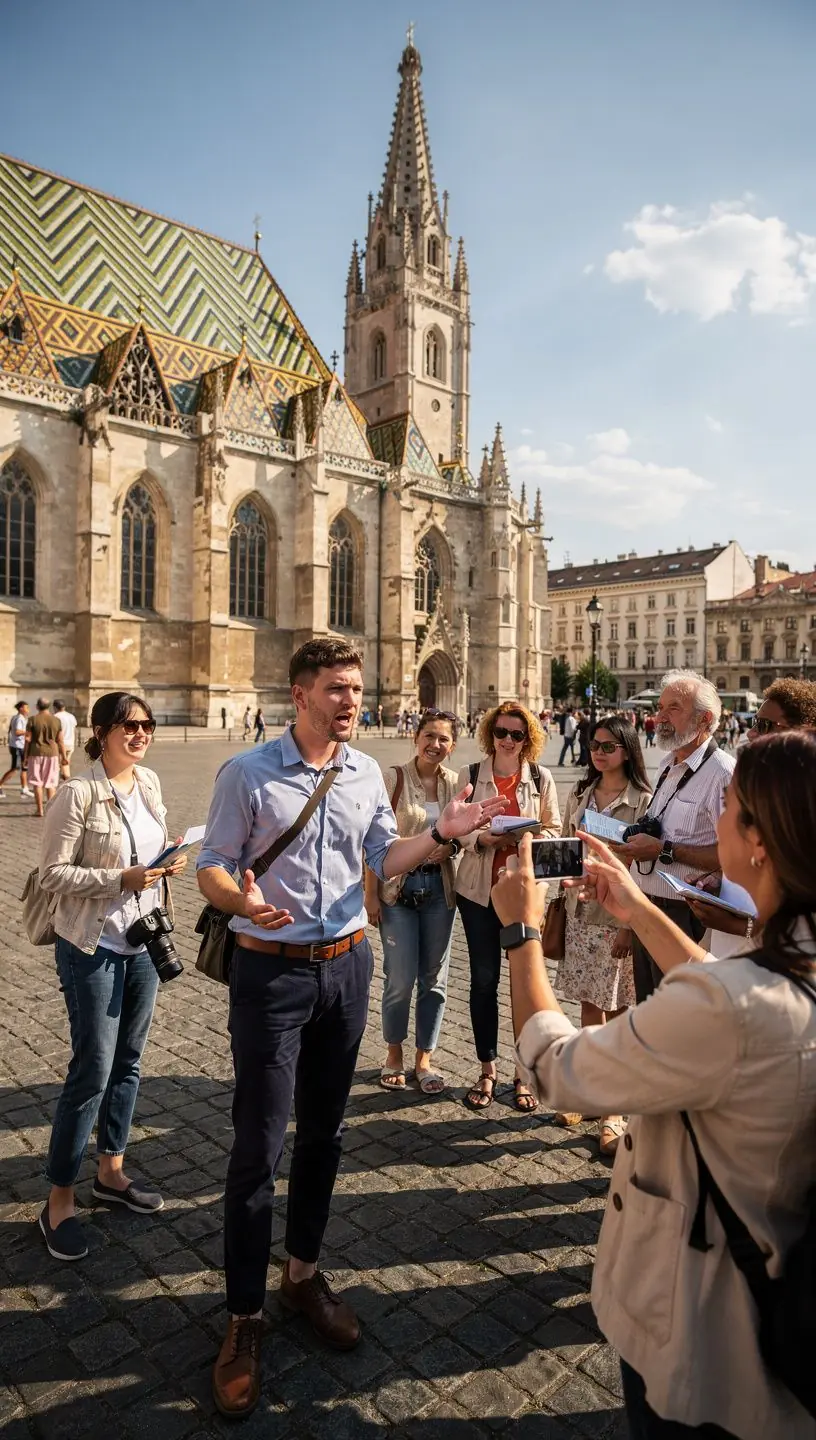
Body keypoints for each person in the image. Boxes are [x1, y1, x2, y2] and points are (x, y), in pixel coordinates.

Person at [196, 639, 507, 1418]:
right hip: (269, 971)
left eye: (358, 689)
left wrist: (444, 831)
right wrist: (237, 901)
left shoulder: (366, 771)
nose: (351, 701)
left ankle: (301, 1274)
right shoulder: (248, 772)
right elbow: (212, 863)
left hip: (347, 965)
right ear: (299, 694)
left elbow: (385, 854)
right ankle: (242, 1319)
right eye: (336, 688)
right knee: (258, 1145)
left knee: (327, 1135)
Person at [494, 730, 816, 1439]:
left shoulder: (730, 1010)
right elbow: (728, 985)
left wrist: (520, 933)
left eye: (729, 805)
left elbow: (557, 1069)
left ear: (759, 840)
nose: (716, 818)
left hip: (709, 1338)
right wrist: (637, 910)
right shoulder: (791, 956)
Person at [36, 692, 188, 1262]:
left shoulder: (147, 783)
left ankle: (112, 1172)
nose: (140, 733)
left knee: (129, 1061)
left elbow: (150, 852)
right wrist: (120, 879)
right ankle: (57, 1202)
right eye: (129, 725)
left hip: (142, 941)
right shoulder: (77, 793)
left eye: (147, 725)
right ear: (100, 732)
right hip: (92, 943)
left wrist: (166, 863)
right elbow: (52, 873)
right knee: (92, 1069)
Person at [456, 701, 561, 1113]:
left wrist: (524, 837)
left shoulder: (540, 776)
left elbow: (553, 827)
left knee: (523, 985)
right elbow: (454, 829)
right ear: (490, 734)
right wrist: (480, 838)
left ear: (528, 738)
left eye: (517, 734)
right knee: (483, 981)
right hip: (479, 892)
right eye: (501, 732)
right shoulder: (470, 776)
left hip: (521, 893)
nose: (508, 741)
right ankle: (487, 1069)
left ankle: (523, 1074)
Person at [554, 716, 652, 1151]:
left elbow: (645, 874)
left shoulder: (644, 802)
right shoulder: (581, 792)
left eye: (609, 746)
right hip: (581, 913)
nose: (598, 752)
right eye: (594, 744)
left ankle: (614, 1109)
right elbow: (562, 844)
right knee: (590, 1006)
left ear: (628, 751)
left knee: (617, 1014)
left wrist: (631, 926)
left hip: (616, 920)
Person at [610, 670, 734, 1002]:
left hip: (686, 916)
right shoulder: (668, 764)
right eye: (660, 707)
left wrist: (665, 850)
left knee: (681, 1017)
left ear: (704, 719)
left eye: (673, 709)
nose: (659, 717)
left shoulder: (722, 773)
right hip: (649, 908)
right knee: (651, 1010)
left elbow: (734, 856)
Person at [364, 708, 461, 1095]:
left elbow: (466, 837)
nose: (435, 745)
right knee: (400, 978)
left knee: (435, 981)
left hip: (440, 891)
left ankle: (424, 1058)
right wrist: (370, 895)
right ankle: (393, 1054)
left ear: (452, 746)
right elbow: (374, 842)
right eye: (430, 736)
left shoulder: (455, 784)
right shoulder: (392, 779)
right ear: (415, 736)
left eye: (444, 739)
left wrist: (450, 845)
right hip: (396, 893)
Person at [685, 677, 816, 957]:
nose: (752, 734)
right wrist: (721, 882)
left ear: (800, 733)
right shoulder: (759, 788)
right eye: (755, 723)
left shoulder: (803, 813)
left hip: (768, 968)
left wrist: (738, 926)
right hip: (729, 956)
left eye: (765, 725)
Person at [24, 698, 68, 818]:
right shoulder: (56, 720)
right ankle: (51, 811)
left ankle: (40, 810)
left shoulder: (32, 719)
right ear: (49, 707)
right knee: (51, 783)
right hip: (52, 754)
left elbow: (27, 739)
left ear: (37, 706)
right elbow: (60, 741)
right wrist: (64, 756)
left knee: (37, 783)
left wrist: (25, 756)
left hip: (35, 753)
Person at [0, 700, 34, 799]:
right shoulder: (19, 718)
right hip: (17, 746)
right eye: (26, 707)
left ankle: (24, 788)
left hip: (20, 745)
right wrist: (28, 732)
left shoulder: (20, 718)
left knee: (24, 768)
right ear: (21, 709)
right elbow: (17, 732)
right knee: (15, 769)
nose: (28, 710)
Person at [53, 700, 78, 772]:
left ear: (55, 707)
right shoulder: (71, 716)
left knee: (57, 766)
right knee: (66, 764)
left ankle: (61, 779)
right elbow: (74, 729)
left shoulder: (56, 717)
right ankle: (65, 779)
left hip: (60, 744)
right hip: (70, 743)